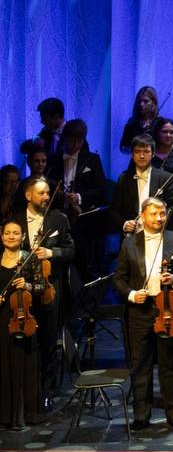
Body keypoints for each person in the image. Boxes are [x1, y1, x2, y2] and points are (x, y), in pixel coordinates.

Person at [113, 197, 173, 431]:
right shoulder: (129, 243)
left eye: (162, 214)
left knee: (170, 365)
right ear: (142, 216)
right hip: (140, 311)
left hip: (168, 310)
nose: (159, 218)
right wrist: (132, 294)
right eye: (153, 214)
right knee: (140, 365)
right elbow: (118, 279)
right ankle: (141, 416)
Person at [14, 177, 73, 401]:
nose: (47, 197)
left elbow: (70, 250)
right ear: (28, 195)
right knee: (25, 338)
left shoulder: (58, 219)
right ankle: (26, 388)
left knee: (49, 339)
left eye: (48, 192)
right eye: (41, 193)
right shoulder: (15, 221)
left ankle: (47, 390)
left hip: (49, 288)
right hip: (23, 289)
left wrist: (51, 253)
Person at [0, 220, 42, 428]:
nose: (11, 236)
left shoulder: (29, 258)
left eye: (15, 233)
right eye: (7, 233)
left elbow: (42, 287)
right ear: (1, 236)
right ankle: (3, 415)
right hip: (1, 319)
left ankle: (19, 416)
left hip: (22, 319)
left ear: (23, 236)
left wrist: (27, 285)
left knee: (19, 365)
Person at [109, 136, 173, 233]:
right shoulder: (124, 178)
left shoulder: (166, 178)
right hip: (132, 236)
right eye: (137, 152)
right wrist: (124, 224)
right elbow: (113, 210)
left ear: (153, 153)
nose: (142, 156)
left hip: (160, 234)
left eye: (146, 151)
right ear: (132, 155)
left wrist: (160, 217)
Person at [47, 119, 107, 216]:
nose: (76, 145)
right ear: (65, 139)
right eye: (72, 141)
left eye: (79, 141)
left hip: (84, 213)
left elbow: (102, 190)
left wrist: (79, 197)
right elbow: (48, 182)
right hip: (58, 212)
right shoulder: (54, 159)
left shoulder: (92, 159)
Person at [118, 85, 161, 154]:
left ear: (154, 103)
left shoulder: (161, 123)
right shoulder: (132, 122)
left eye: (145, 101)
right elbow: (123, 148)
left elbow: (167, 148)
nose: (141, 104)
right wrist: (136, 147)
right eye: (139, 101)